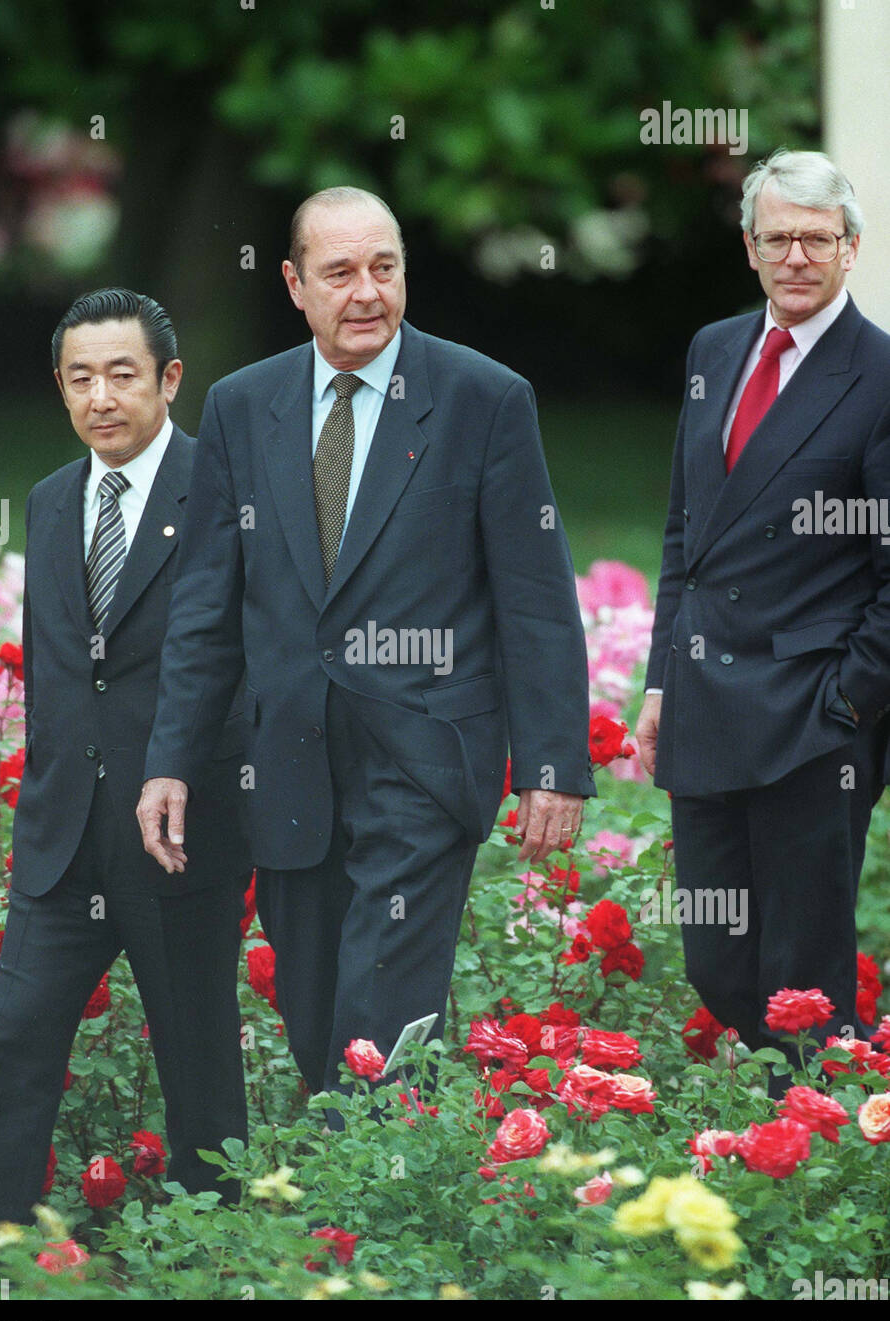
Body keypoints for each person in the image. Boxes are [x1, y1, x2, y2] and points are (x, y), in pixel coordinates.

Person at [138, 187, 594, 1105]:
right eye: (340, 273)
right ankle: (384, 1193)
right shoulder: (241, 405)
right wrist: (172, 760)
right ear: (295, 284)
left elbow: (536, 598)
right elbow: (205, 607)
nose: (366, 293)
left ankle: (357, 1237)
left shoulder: (484, 399)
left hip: (425, 759)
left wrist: (553, 764)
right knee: (314, 1012)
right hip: (290, 763)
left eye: (383, 268)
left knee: (379, 1019)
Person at [0, 288, 253, 1254]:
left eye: (123, 374)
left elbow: (240, 662)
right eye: (81, 378)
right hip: (59, 840)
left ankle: (212, 1266)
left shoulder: (223, 493)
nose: (101, 397)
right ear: (60, 388)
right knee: (13, 1061)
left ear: (169, 379)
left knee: (199, 1073)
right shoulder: (48, 500)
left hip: (178, 841)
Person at [637, 150, 890, 1092]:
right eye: (777, 237)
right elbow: (683, 534)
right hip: (705, 703)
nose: (796, 256)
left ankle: (822, 1146)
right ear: (749, 247)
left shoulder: (879, 374)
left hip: (808, 721)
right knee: (717, 959)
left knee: (805, 978)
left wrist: (850, 702)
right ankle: (801, 1108)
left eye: (816, 240)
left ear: (850, 248)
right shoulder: (714, 351)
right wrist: (661, 679)